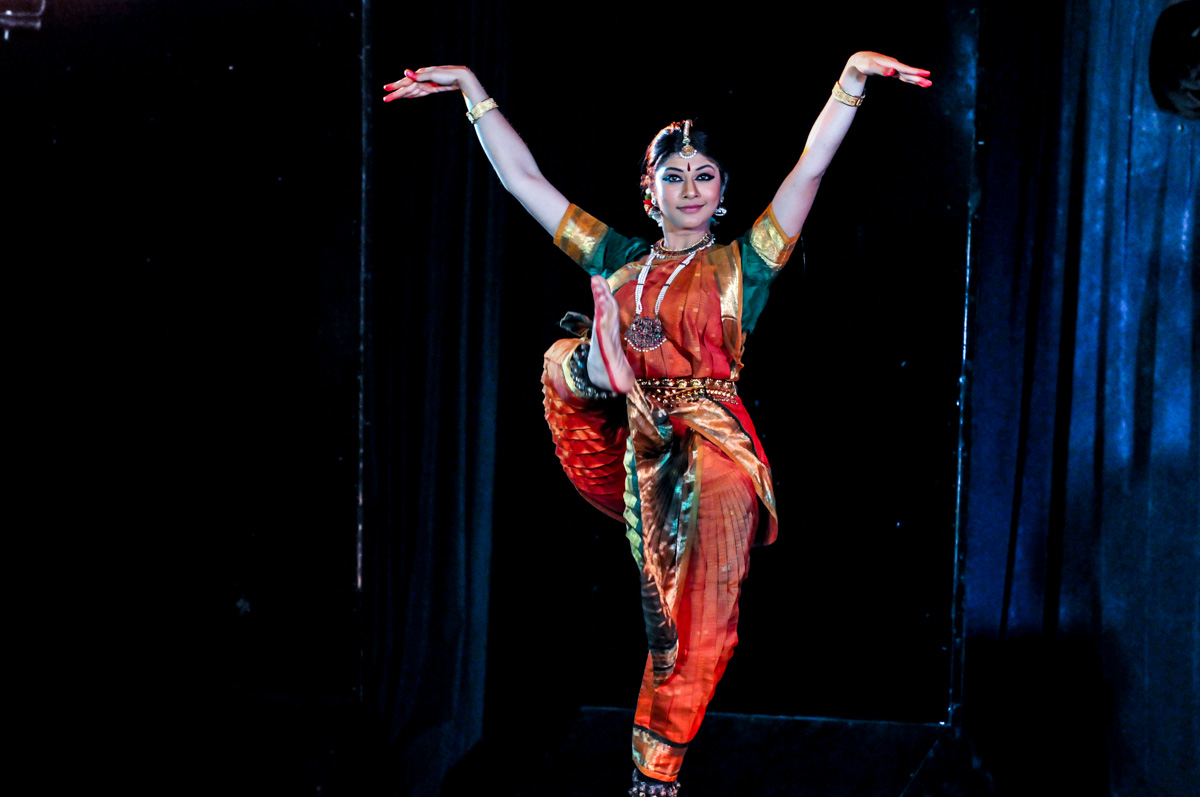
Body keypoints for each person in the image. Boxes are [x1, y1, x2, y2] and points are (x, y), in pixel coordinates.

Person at [384, 53, 931, 796]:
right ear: (650, 192)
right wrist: (472, 91)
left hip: (713, 447)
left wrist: (852, 83)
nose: (691, 189)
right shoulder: (618, 258)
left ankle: (655, 773)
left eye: (705, 176)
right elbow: (523, 180)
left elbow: (809, 169)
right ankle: (597, 366)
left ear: (724, 192)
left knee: (696, 622)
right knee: (559, 362)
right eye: (674, 176)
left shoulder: (745, 265)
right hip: (634, 443)